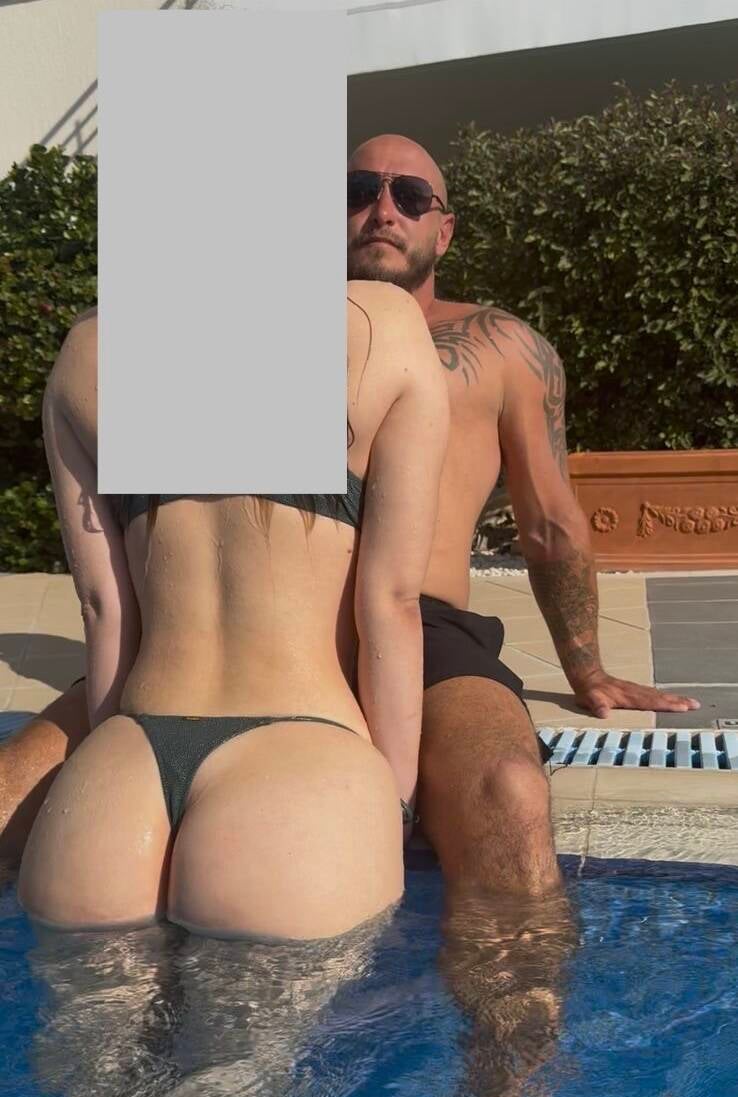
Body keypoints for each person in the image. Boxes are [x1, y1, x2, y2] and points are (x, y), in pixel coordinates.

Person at [1, 133, 699, 895]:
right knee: (9, 792)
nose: (383, 210)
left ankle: (507, 978)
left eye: (411, 196)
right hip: (229, 636)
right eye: (358, 191)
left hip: (425, 630)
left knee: (510, 793)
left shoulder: (501, 347)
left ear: (445, 229)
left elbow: (550, 524)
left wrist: (585, 666)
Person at [17, 281, 449, 939]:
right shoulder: (380, 323)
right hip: (302, 758)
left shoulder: (88, 348)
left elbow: (103, 609)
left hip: (120, 771)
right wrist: (396, 806)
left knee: (90, 1006)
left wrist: (113, 751)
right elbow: (390, 605)